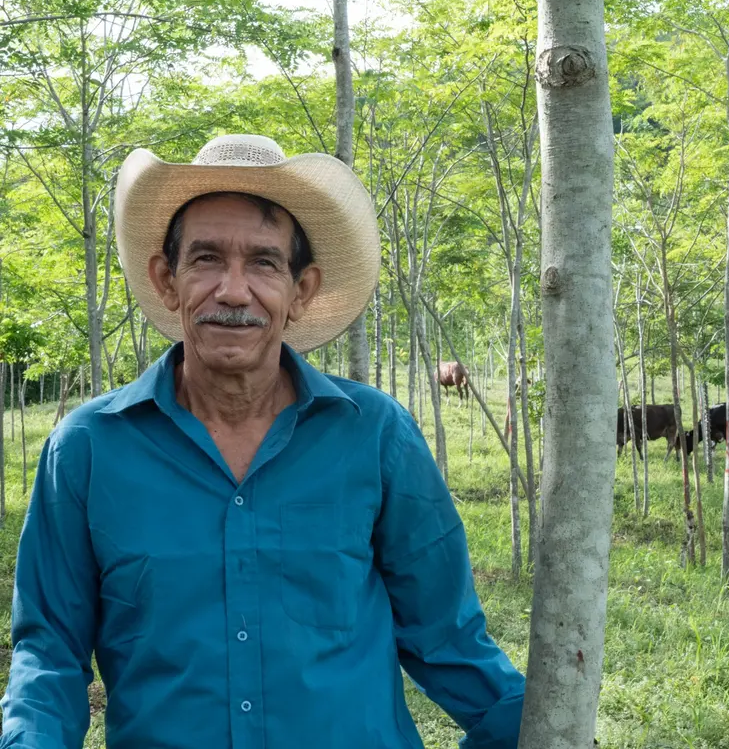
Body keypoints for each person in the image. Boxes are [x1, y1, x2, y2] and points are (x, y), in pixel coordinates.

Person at [0, 134, 525, 748]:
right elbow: (50, 653)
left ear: (300, 291)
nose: (233, 290)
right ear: (167, 280)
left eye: (264, 263)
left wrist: (537, 727)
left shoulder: (376, 434)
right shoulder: (86, 450)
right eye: (206, 260)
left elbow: (447, 638)